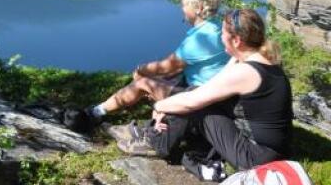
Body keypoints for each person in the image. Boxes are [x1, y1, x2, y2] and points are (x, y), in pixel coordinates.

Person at [121, 9, 293, 172]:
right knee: (195, 93)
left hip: (255, 158)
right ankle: (159, 135)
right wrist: (168, 106)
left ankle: (156, 144)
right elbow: (211, 85)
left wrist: (159, 106)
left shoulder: (246, 72)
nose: (220, 36)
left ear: (237, 41)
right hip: (270, 151)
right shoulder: (259, 60)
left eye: (223, 33)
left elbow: (191, 102)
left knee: (197, 106)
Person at [84, 0, 229, 129]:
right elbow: (179, 67)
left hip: (201, 99)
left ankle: (96, 113)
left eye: (184, 4)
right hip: (215, 93)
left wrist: (141, 70)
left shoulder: (200, 38)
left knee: (142, 83)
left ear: (198, 7)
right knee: (160, 79)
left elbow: (166, 67)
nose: (182, 8)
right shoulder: (218, 27)